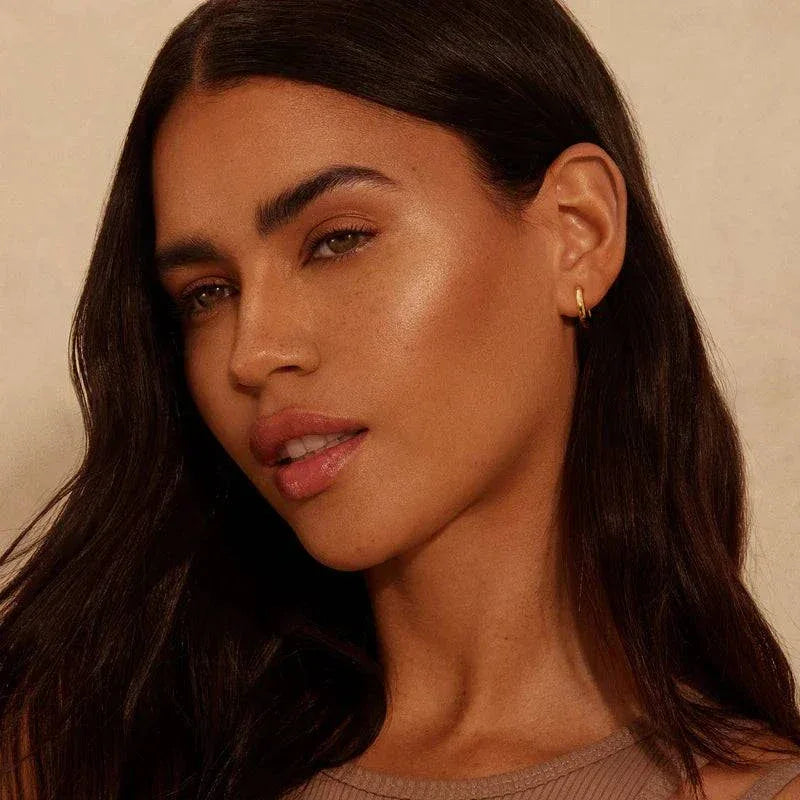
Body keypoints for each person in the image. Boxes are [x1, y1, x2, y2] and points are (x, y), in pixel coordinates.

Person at [1, 0, 798, 798]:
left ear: (576, 231)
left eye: (336, 240)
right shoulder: (76, 752)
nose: (253, 353)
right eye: (207, 292)